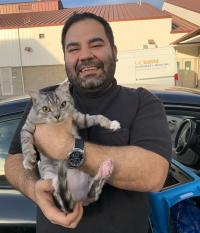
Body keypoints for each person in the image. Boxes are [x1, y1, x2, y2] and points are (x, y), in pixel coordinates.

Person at [5, 12, 172, 233]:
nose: (85, 55)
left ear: (114, 51)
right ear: (65, 58)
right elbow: (14, 161)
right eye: (73, 49)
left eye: (96, 44)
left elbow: (154, 174)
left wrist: (68, 148)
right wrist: (34, 189)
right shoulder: (45, 100)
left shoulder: (143, 102)